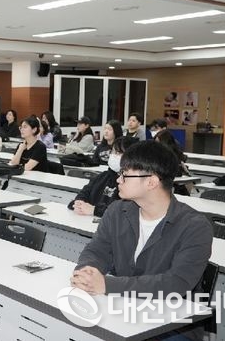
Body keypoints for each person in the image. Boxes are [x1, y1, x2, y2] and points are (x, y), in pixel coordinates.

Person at [71, 141, 213, 341]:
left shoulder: (194, 226)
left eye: (125, 174)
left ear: (151, 182)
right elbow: (96, 250)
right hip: (124, 308)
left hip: (171, 323)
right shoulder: (117, 211)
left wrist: (107, 285)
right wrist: (87, 272)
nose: (118, 179)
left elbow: (176, 283)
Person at [69, 137, 137, 217]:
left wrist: (94, 210)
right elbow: (84, 192)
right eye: (113, 151)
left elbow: (122, 212)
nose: (114, 156)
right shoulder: (103, 176)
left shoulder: (131, 184)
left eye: (119, 153)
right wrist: (79, 203)